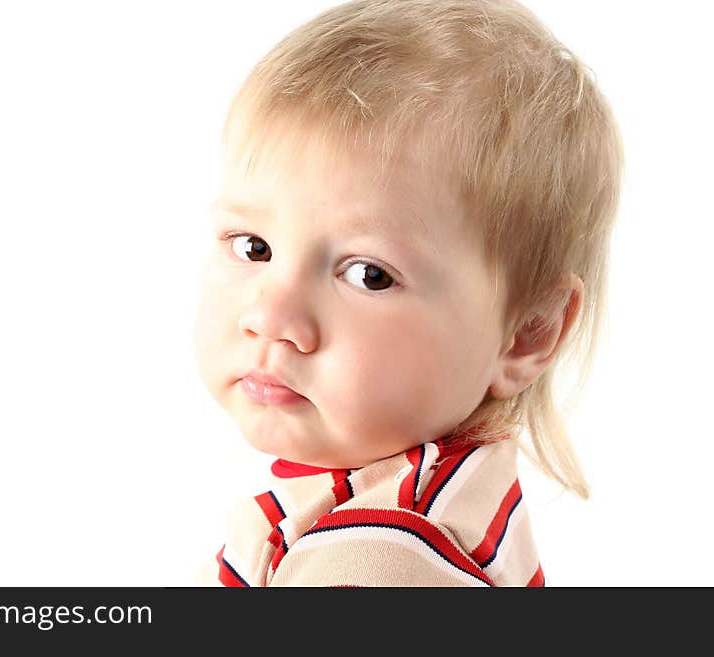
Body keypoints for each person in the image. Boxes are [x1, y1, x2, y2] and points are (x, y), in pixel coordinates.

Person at [192, 0, 623, 586]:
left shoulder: (379, 560)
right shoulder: (437, 502)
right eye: (253, 247)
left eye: (368, 274)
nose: (271, 317)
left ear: (528, 332)